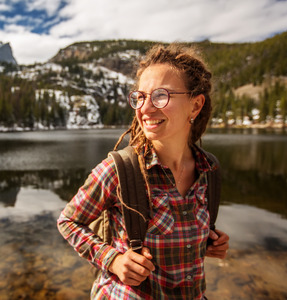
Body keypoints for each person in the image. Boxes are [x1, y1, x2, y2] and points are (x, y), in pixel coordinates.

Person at [57, 43, 229, 299]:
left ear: (195, 106)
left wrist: (206, 242)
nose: (145, 109)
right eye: (140, 97)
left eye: (161, 95)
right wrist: (113, 260)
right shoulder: (120, 170)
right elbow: (68, 221)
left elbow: (181, 243)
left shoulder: (209, 169)